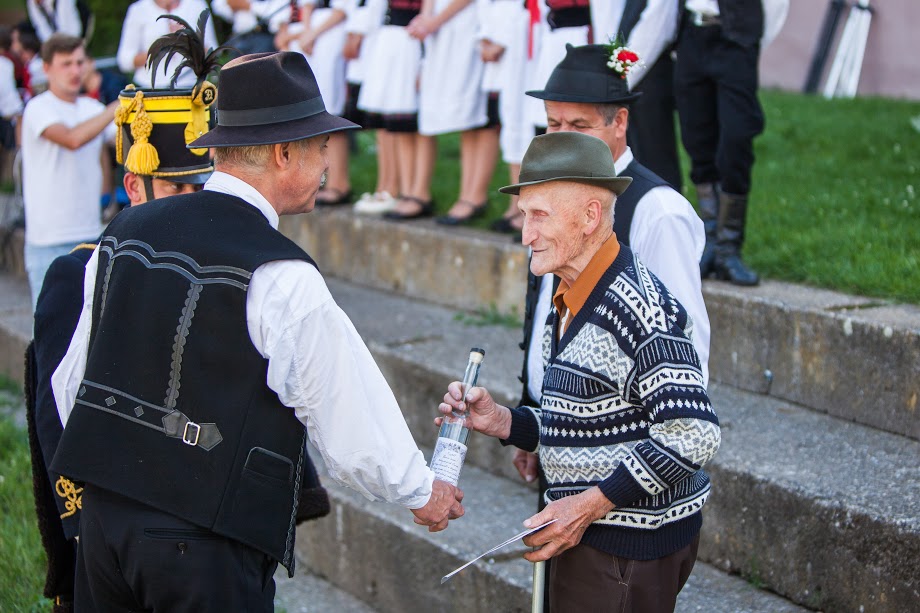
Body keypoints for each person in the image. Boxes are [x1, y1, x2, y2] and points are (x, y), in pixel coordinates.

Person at [50, 51, 463, 612]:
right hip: (201, 546)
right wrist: (421, 491)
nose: (325, 167)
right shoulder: (279, 273)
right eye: (321, 150)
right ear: (283, 152)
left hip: (103, 526)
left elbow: (72, 380)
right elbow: (344, 408)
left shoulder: (123, 231)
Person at [441, 131, 720, 613]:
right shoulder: (570, 290)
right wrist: (505, 422)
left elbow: (693, 434)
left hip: (626, 549)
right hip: (591, 535)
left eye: (539, 216)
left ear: (590, 216)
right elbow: (591, 417)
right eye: (524, 215)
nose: (525, 235)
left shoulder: (641, 309)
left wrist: (588, 505)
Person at [26, 48, 217, 612]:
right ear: (136, 188)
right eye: (175, 190)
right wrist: (86, 526)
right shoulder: (78, 274)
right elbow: (55, 411)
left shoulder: (218, 268)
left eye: (197, 189)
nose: (191, 205)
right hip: (112, 518)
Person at [516, 44, 710, 467]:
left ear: (620, 121)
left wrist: (648, 460)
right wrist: (537, 422)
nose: (563, 137)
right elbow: (552, 311)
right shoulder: (550, 193)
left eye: (579, 125)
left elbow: (686, 345)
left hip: (627, 450)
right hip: (557, 428)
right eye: (553, 123)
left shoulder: (658, 211)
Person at [673, 0, 788, 285]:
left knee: (737, 137)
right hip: (691, 36)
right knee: (696, 137)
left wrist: (750, 37)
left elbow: (776, 5)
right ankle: (711, 242)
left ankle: (729, 249)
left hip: (736, 40)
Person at [20, 34, 118, 310]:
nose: (75, 71)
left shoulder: (93, 108)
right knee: (46, 339)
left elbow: (129, 143)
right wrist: (115, 108)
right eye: (66, 64)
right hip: (47, 240)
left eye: (79, 63)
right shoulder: (38, 108)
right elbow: (72, 139)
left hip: (91, 234)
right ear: (47, 68)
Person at [592, 0, 683, 191]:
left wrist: (621, 74)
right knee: (625, 158)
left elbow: (658, 22)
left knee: (654, 157)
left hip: (648, 66)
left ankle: (664, 214)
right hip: (619, 67)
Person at [116, 0, 216, 89]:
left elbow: (213, 53)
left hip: (191, 88)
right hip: (149, 89)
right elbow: (125, 61)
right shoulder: (138, 10)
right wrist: (159, 49)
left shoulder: (197, 5)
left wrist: (189, 42)